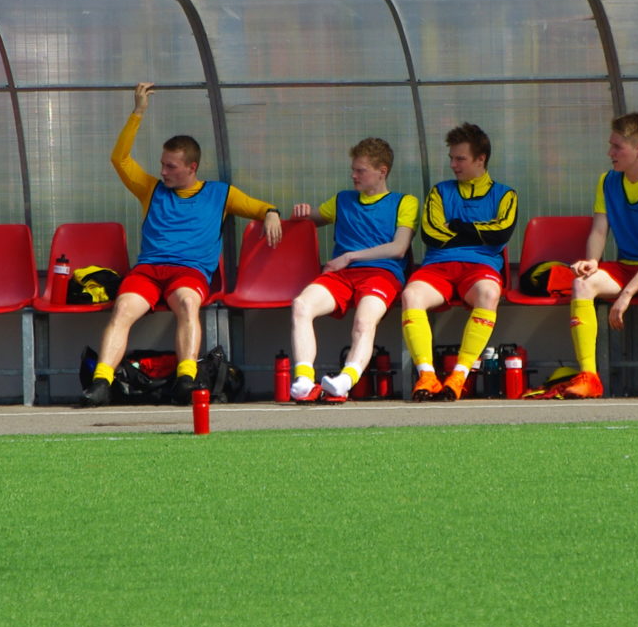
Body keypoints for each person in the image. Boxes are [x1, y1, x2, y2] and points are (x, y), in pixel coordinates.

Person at [82, 82, 283, 407]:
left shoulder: (220, 193)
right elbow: (119, 159)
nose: (162, 172)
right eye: (162, 164)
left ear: (192, 168)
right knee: (122, 309)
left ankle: (186, 378)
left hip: (188, 272)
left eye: (171, 166)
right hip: (148, 271)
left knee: (188, 304)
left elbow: (259, 207)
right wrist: (138, 112)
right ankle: (101, 382)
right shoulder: (151, 189)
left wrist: (271, 213)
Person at [549, 112, 638, 400]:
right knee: (582, 283)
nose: (609, 153)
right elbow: (599, 230)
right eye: (610, 145)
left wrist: (626, 294)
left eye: (617, 147)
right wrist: (592, 261)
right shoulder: (607, 181)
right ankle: (589, 376)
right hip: (626, 266)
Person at [285, 137, 419, 404]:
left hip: (382, 275)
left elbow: (399, 248)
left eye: (361, 170)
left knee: (363, 321)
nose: (353, 175)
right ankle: (304, 380)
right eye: (353, 170)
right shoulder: (342, 200)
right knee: (301, 305)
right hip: (342, 276)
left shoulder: (405, 202)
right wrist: (301, 212)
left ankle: (345, 381)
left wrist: (349, 256)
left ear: (382, 171)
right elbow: (312, 218)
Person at [399, 123, 519, 399]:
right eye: (451, 158)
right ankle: (427, 376)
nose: (453, 165)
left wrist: (457, 226)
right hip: (437, 266)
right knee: (411, 295)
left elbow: (501, 233)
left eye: (460, 159)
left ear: (481, 159)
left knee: (489, 294)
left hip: (480, 268)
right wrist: (479, 232)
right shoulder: (439, 192)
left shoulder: (505, 195)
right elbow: (431, 234)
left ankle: (458, 376)